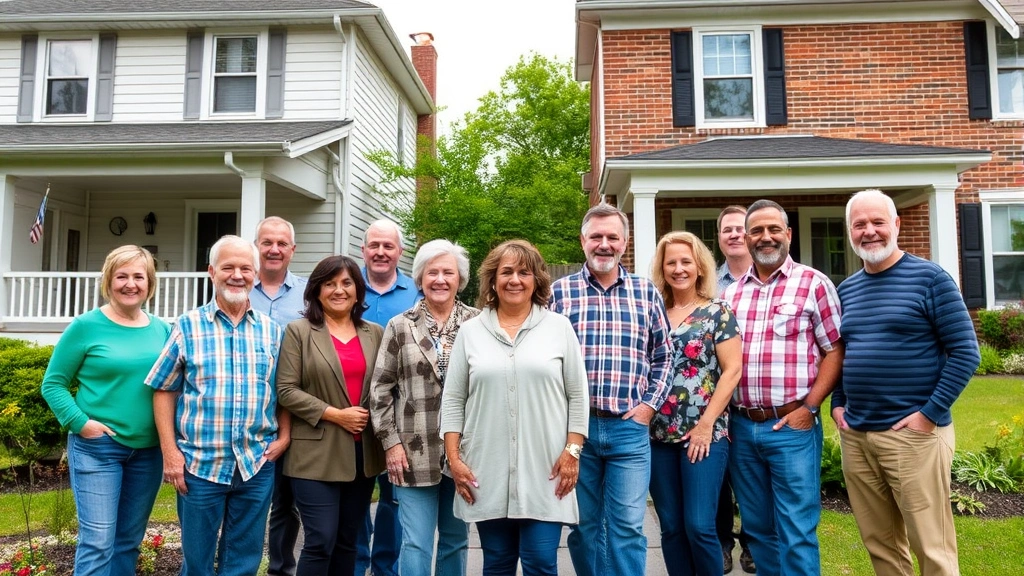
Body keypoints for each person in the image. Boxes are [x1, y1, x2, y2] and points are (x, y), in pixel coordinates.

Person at [833, 189, 980, 576]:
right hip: (858, 436)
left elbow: (966, 352)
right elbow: (845, 352)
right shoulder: (847, 289)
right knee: (880, 544)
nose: (869, 231)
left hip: (913, 436)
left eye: (878, 222)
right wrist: (838, 401)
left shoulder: (930, 279)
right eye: (859, 224)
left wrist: (928, 416)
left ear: (896, 225)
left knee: (932, 545)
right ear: (850, 231)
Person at [441, 240, 589, 576]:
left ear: (537, 280)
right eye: (506, 272)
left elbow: (578, 396)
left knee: (541, 561)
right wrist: (454, 459)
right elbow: (453, 399)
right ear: (493, 280)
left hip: (546, 469)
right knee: (497, 563)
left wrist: (572, 453)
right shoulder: (471, 332)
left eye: (524, 272)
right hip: (486, 469)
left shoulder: (559, 328)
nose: (515, 280)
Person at [146, 235, 289, 576]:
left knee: (243, 562)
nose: (237, 275)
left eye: (245, 268)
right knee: (197, 563)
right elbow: (163, 389)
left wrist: (284, 437)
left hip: (255, 464)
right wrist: (170, 453)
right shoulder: (187, 326)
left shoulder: (272, 331)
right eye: (228, 267)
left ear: (255, 274)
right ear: (212, 272)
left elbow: (283, 391)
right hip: (199, 466)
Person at [722, 200, 843, 576]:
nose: (766, 237)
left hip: (792, 426)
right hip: (742, 426)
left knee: (796, 529)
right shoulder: (730, 295)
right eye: (756, 230)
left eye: (774, 229)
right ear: (746, 238)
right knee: (758, 530)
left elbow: (834, 350)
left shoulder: (813, 283)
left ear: (788, 234)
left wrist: (810, 407)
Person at [550, 203, 672, 576]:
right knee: (583, 526)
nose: (604, 244)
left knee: (627, 528)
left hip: (628, 430)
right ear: (583, 240)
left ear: (625, 242)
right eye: (596, 237)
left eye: (612, 237)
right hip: (577, 431)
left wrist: (648, 407)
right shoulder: (559, 294)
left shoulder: (646, 292)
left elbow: (664, 356)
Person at [41, 245, 171, 576]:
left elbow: (172, 387)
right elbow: (53, 384)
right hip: (98, 449)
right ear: (108, 281)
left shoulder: (162, 329)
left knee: (128, 541)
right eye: (121, 276)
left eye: (139, 276)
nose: (130, 284)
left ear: (150, 283)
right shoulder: (86, 326)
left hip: (149, 452)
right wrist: (80, 423)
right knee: (98, 541)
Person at [369, 239, 478, 576]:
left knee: (456, 539)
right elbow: (380, 390)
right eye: (432, 272)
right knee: (415, 541)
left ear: (460, 279)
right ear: (420, 278)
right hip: (412, 452)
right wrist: (391, 444)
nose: (440, 279)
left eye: (448, 272)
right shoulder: (400, 325)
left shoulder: (478, 324)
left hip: (465, 452)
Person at [276, 255, 386, 576]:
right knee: (320, 539)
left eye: (347, 283)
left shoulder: (375, 333)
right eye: (330, 284)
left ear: (358, 290)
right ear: (316, 290)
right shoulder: (299, 332)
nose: (339, 290)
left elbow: (385, 386)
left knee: (348, 541)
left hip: (362, 454)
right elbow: (286, 389)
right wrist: (335, 414)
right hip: (314, 453)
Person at [648, 232, 741, 576]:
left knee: (700, 526)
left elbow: (732, 370)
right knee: (671, 527)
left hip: (704, 435)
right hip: (656, 435)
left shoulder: (717, 312)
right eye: (671, 262)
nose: (678, 269)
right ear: (662, 268)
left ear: (700, 267)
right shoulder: (654, 311)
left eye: (686, 261)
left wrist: (705, 425)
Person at [357, 219, 419, 576]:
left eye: (388, 246)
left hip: (402, 412)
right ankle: (356, 563)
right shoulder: (347, 286)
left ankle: (385, 567)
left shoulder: (416, 292)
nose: (381, 252)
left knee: (394, 496)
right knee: (355, 494)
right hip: (352, 409)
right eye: (374, 245)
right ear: (363, 249)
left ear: (400, 252)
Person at [250, 216, 307, 576]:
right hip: (248, 411)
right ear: (256, 246)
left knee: (287, 500)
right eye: (267, 242)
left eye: (281, 243)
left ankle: (281, 568)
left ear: (292, 250)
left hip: (294, 409)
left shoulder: (308, 293)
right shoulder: (238, 286)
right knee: (248, 500)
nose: (274, 249)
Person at [714, 205, 756, 575]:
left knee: (753, 480)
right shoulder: (709, 284)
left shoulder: (769, 279)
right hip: (715, 398)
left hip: (753, 399)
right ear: (719, 238)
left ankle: (753, 545)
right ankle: (723, 545)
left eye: (741, 228)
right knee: (719, 479)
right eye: (727, 229)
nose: (735, 235)